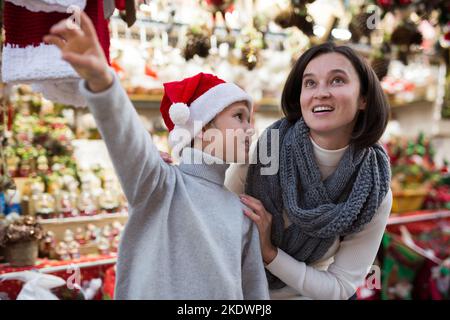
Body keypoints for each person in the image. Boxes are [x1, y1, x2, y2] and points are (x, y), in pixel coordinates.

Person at [44, 12, 269, 300]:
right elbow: (127, 140)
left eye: (250, 119)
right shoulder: (160, 186)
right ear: (201, 129)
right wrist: (103, 83)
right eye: (239, 116)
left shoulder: (242, 213)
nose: (250, 129)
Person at [225, 42, 392, 300]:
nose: (320, 93)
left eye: (337, 80)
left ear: (363, 98)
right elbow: (208, 220)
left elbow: (340, 287)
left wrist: (270, 254)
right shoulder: (264, 152)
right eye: (310, 83)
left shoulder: (373, 186)